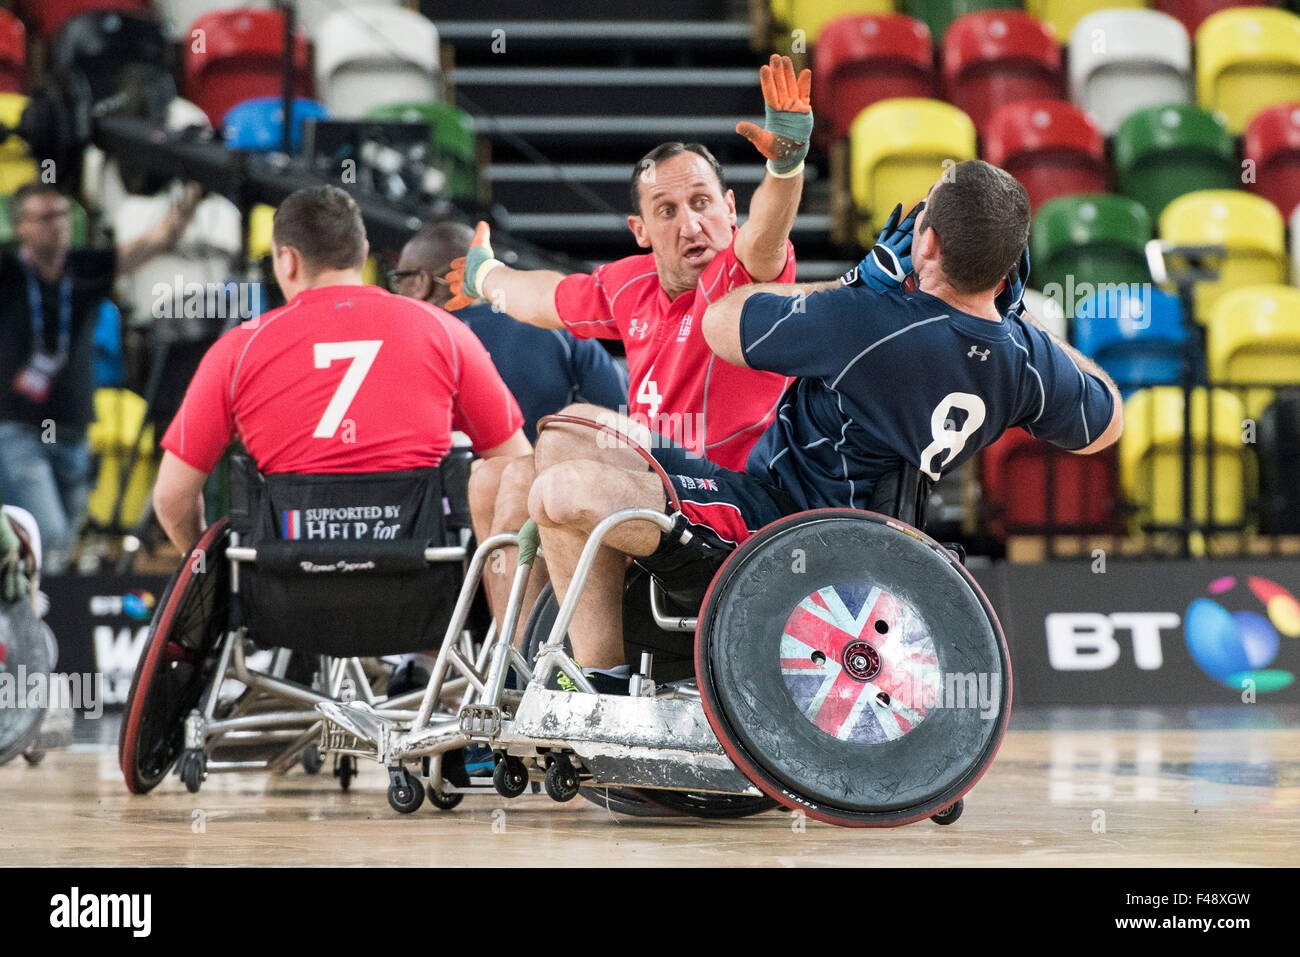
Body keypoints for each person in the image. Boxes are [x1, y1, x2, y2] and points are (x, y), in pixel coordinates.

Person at [526, 160, 1124, 687]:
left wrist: (855, 282)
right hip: (872, 544)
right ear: (1010, 264)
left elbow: (719, 322)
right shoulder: (1024, 359)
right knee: (570, 432)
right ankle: (600, 659)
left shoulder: (868, 319)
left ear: (929, 244)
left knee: (561, 488)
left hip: (780, 527)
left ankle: (600, 686)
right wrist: (1014, 318)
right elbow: (1108, 418)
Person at [450, 54, 814, 647]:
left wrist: (786, 165)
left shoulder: (740, 276)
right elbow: (544, 296)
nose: (691, 225)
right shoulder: (629, 284)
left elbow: (769, 231)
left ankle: (597, 673)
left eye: (701, 203)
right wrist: (484, 276)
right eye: (667, 211)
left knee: (570, 428)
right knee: (504, 479)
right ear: (641, 230)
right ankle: (517, 680)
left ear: (729, 207)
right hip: (643, 480)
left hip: (719, 493)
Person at [152, 185, 531, 555]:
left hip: (283, 597)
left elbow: (172, 499)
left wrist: (208, 574)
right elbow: (517, 468)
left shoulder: (238, 347)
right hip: (424, 595)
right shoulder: (444, 330)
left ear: (288, 259)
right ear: (363, 253)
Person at [393, 221, 627, 644]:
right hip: (553, 535)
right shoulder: (562, 333)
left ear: (422, 284)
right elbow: (618, 427)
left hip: (420, 543)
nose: (395, 290)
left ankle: (432, 661)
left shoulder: (408, 343)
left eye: (399, 279)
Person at [0, 182, 202, 572]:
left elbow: (157, 241)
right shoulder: (7, 272)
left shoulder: (84, 267)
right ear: (20, 226)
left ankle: (38, 618)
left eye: (61, 214)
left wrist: (190, 193)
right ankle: (37, 621)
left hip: (74, 426)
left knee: (65, 539)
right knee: (50, 534)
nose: (56, 225)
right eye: (44, 217)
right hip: (16, 429)